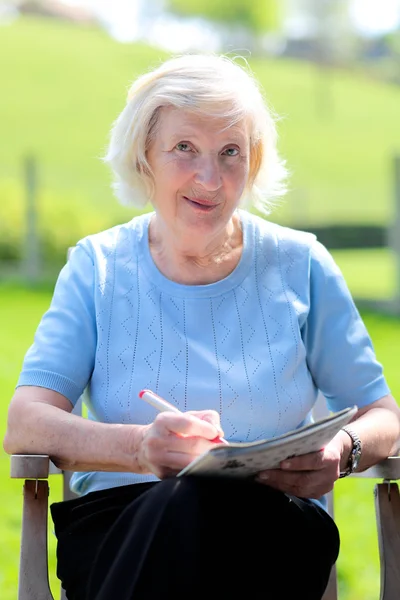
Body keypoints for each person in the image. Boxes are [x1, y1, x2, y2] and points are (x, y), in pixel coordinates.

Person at [3, 54, 400, 600]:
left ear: (254, 163)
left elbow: (383, 416)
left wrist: (345, 450)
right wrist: (140, 448)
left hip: (273, 531)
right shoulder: (97, 267)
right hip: (121, 528)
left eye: (231, 153)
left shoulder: (301, 264)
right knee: (186, 506)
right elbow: (25, 423)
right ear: (145, 154)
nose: (209, 178)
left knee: (206, 506)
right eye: (184, 148)